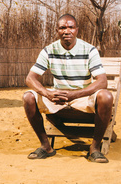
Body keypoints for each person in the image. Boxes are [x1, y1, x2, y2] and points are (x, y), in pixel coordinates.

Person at [22, 14, 113, 163]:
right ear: (57, 30)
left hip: (82, 97)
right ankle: (46, 146)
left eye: (71, 27)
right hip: (57, 97)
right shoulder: (49, 50)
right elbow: (30, 78)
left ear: (77, 30)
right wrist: (48, 93)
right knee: (28, 97)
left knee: (106, 96)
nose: (67, 31)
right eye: (63, 27)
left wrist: (75, 95)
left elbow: (102, 82)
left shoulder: (89, 50)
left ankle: (94, 148)